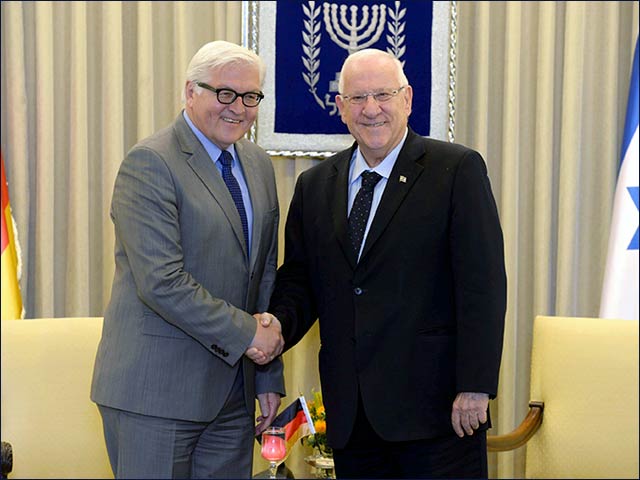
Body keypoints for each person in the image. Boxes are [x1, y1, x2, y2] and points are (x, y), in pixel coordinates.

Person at [268, 49, 507, 478]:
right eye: (358, 98)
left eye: (383, 95)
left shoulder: (455, 170)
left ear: (408, 99)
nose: (371, 109)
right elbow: (300, 283)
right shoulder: (315, 186)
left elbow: (482, 286)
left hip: (438, 413)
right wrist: (271, 330)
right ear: (340, 108)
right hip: (352, 417)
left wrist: (475, 385)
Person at [91, 40, 285, 479]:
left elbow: (264, 276)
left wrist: (268, 373)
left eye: (251, 96)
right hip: (155, 396)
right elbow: (162, 281)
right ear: (190, 92)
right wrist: (250, 335)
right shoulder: (150, 162)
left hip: (234, 398)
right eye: (225, 93)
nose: (238, 107)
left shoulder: (257, 163)